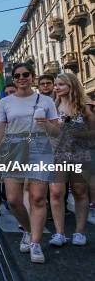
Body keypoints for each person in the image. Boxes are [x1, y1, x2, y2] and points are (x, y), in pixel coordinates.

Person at [0, 63, 59, 264]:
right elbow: (0, 130)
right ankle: (28, 230)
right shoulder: (5, 102)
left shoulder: (46, 101)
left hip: (40, 147)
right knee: (12, 199)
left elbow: (57, 132)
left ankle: (35, 243)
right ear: (13, 78)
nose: (21, 78)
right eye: (17, 75)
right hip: (13, 148)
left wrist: (47, 125)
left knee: (37, 198)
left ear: (32, 76)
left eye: (25, 74)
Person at [49, 73, 95, 247]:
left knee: (79, 191)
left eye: (61, 84)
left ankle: (79, 232)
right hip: (57, 155)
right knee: (56, 192)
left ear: (71, 85)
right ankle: (59, 233)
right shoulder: (52, 107)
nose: (56, 87)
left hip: (79, 156)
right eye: (56, 84)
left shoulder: (84, 107)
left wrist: (76, 133)